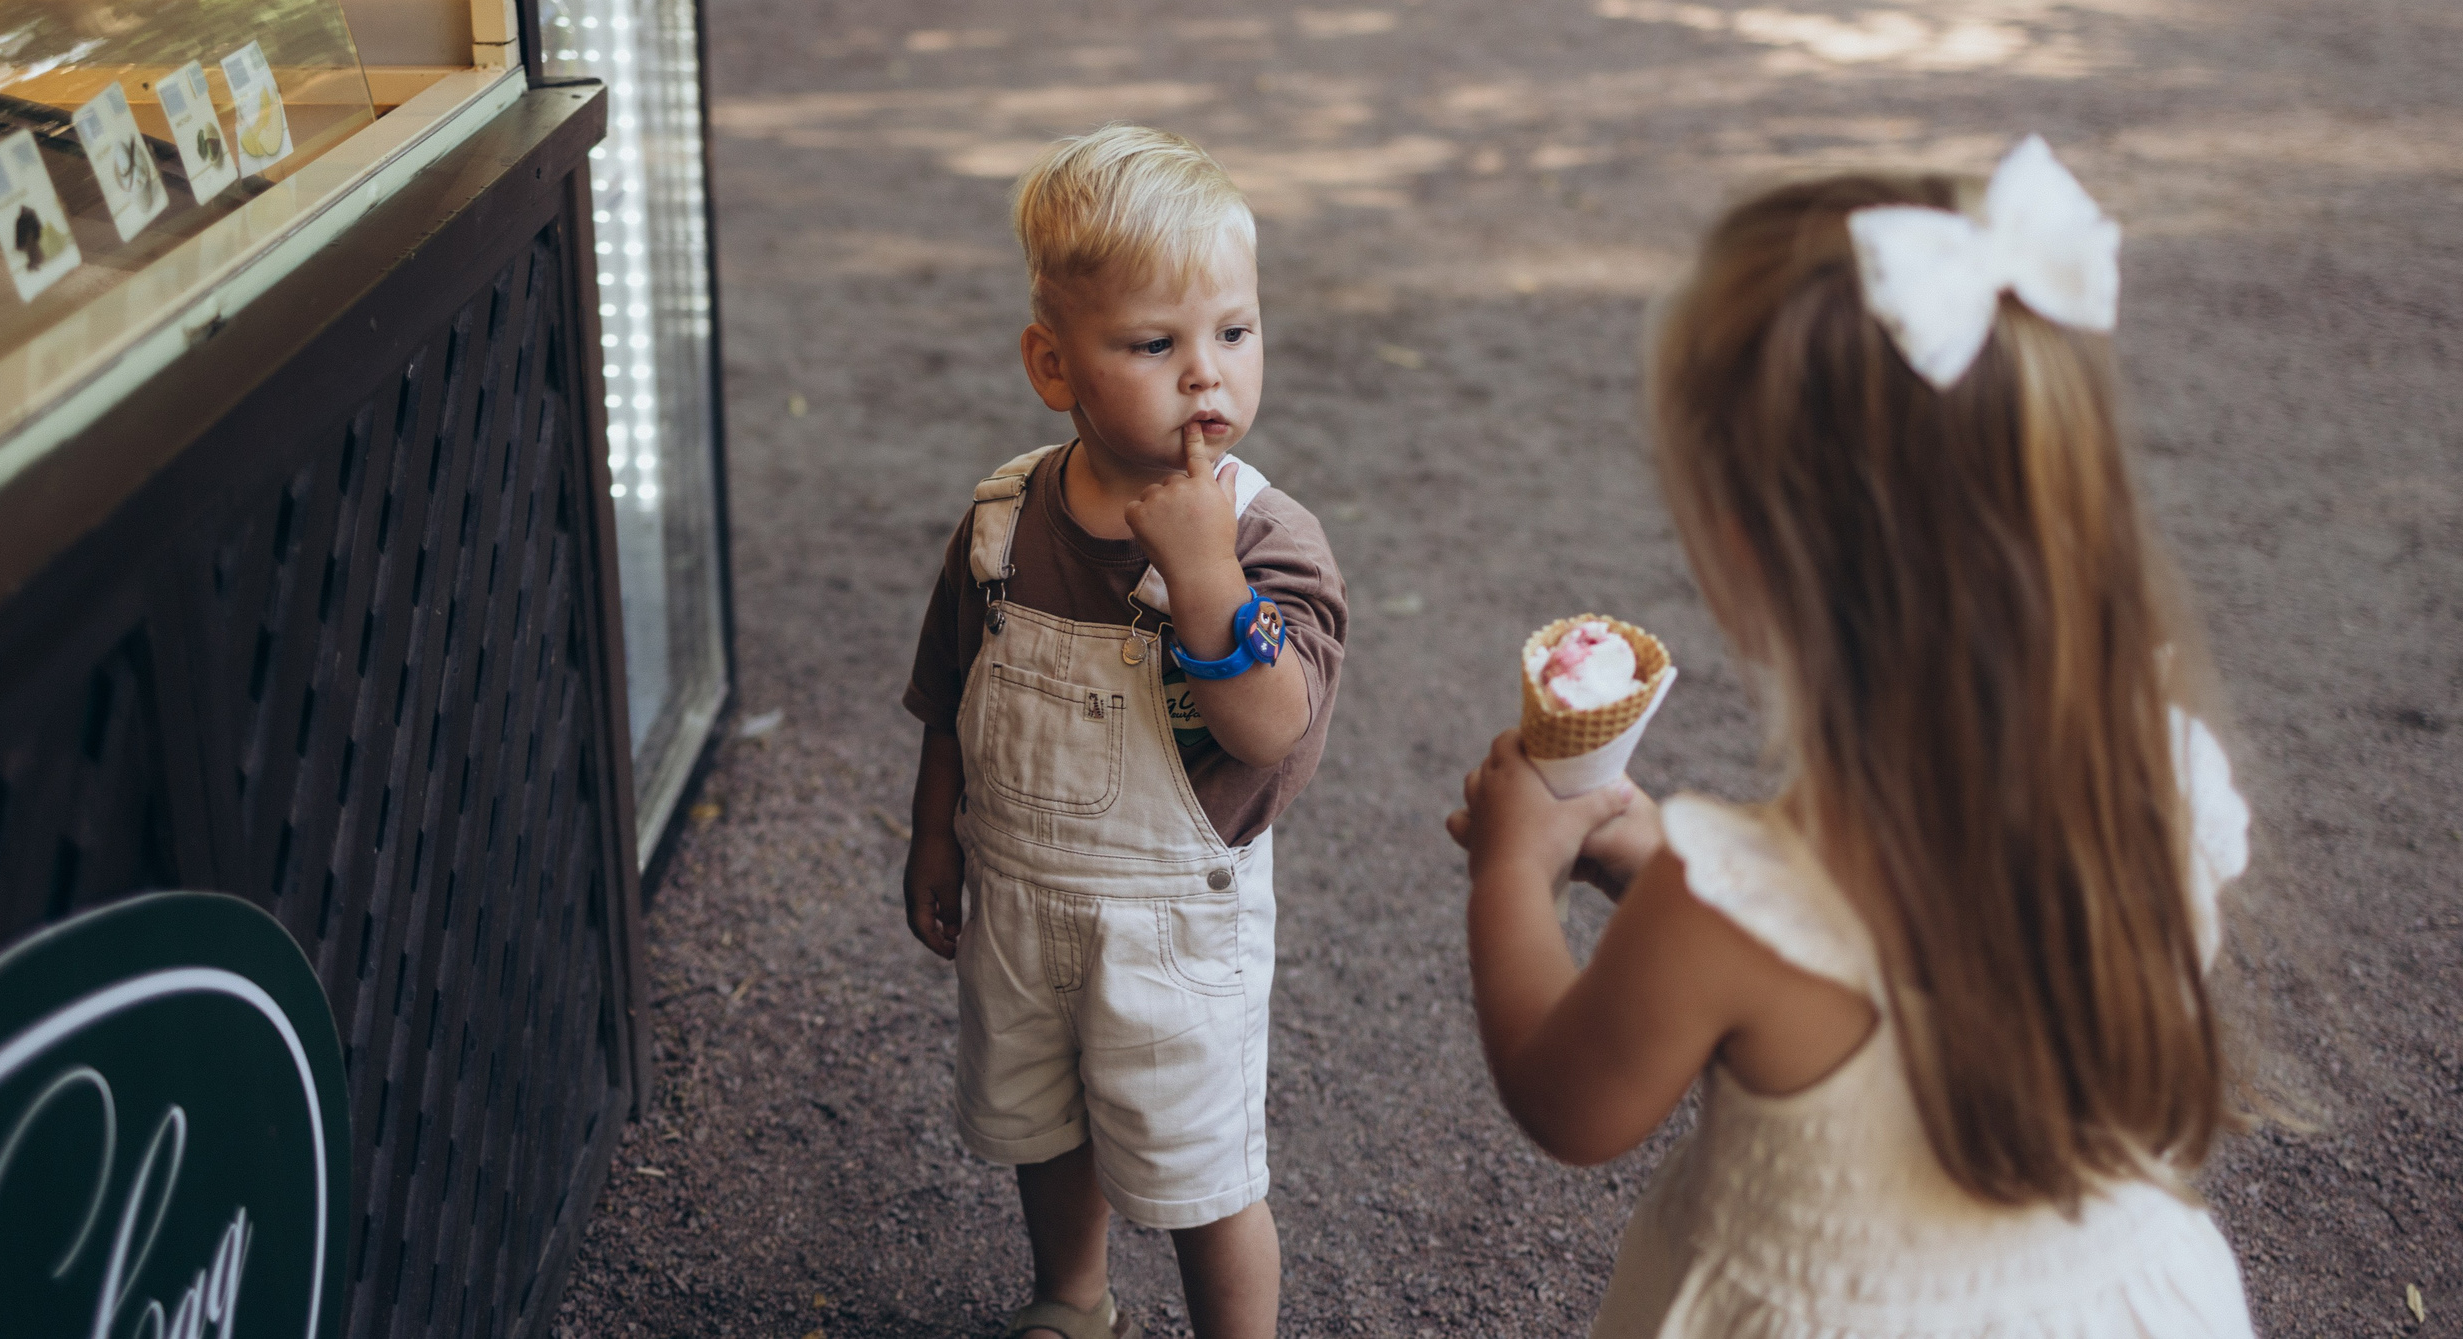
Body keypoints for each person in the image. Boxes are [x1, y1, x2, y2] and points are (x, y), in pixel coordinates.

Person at [1449, 140, 2257, 1338]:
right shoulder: (2163, 778)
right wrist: (1646, 853)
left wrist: (1511, 872)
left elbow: (1571, 1104)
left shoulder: (1721, 914)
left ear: (1744, 550)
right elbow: (1880, 936)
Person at [903, 125, 1349, 1339]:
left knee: (1203, 1174)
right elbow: (951, 690)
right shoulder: (1002, 520)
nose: (1207, 375)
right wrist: (931, 838)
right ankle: (1073, 1298)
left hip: (1174, 929)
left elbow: (1269, 731)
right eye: (1153, 344)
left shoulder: (1265, 539)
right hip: (1021, 898)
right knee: (1044, 1126)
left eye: (1234, 333)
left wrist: (1206, 580)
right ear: (1055, 365)